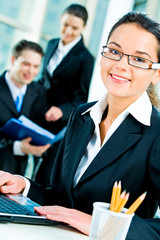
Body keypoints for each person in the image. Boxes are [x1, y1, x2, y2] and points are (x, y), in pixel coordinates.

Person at [0, 11, 160, 239]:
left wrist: (99, 223)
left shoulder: (156, 133)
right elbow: (59, 199)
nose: (121, 65)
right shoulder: (81, 115)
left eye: (139, 59)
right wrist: (22, 184)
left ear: (157, 73)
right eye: (114, 51)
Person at [36, 3, 94, 186]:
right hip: (39, 114)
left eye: (74, 28)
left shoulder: (85, 58)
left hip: (60, 124)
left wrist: (62, 111)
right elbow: (44, 79)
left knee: (44, 174)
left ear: (83, 28)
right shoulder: (52, 43)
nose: (67, 31)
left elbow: (81, 98)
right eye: (65, 24)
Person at [0, 40, 50, 175]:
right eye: (26, 64)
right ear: (13, 60)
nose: (31, 71)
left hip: (20, 173)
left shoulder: (38, 91)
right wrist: (18, 147)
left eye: (36, 66)